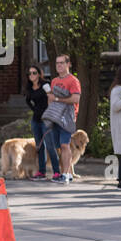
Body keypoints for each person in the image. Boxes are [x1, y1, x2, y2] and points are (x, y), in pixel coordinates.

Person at [43, 53, 81, 185]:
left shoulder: (73, 81)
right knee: (59, 146)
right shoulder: (54, 81)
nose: (59, 65)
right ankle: (67, 172)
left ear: (68, 64)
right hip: (56, 118)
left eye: (62, 63)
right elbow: (51, 99)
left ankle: (65, 175)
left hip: (68, 118)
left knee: (65, 145)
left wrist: (57, 99)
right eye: (57, 63)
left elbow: (75, 99)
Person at [23, 64, 50, 179]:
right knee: (39, 146)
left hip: (45, 120)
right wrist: (35, 110)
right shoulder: (29, 87)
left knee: (50, 145)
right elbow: (27, 100)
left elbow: (51, 98)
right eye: (29, 73)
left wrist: (47, 112)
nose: (31, 75)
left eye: (34, 73)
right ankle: (41, 172)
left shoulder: (45, 85)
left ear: (39, 74)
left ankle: (57, 172)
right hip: (35, 120)